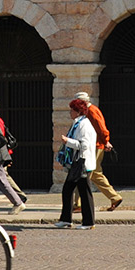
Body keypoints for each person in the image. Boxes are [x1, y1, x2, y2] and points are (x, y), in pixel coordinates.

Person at [73, 92, 124, 212]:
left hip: (95, 146)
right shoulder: (90, 110)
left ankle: (79, 204)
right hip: (95, 145)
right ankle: (114, 197)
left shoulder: (91, 111)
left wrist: (106, 141)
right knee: (94, 173)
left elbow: (101, 127)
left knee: (83, 173)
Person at [54, 97, 97, 230]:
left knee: (84, 192)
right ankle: (66, 219)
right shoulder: (78, 123)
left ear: (77, 111)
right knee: (68, 190)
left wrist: (68, 141)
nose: (70, 113)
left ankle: (88, 222)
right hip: (77, 163)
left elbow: (83, 145)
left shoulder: (84, 125)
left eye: (71, 110)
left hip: (82, 163)